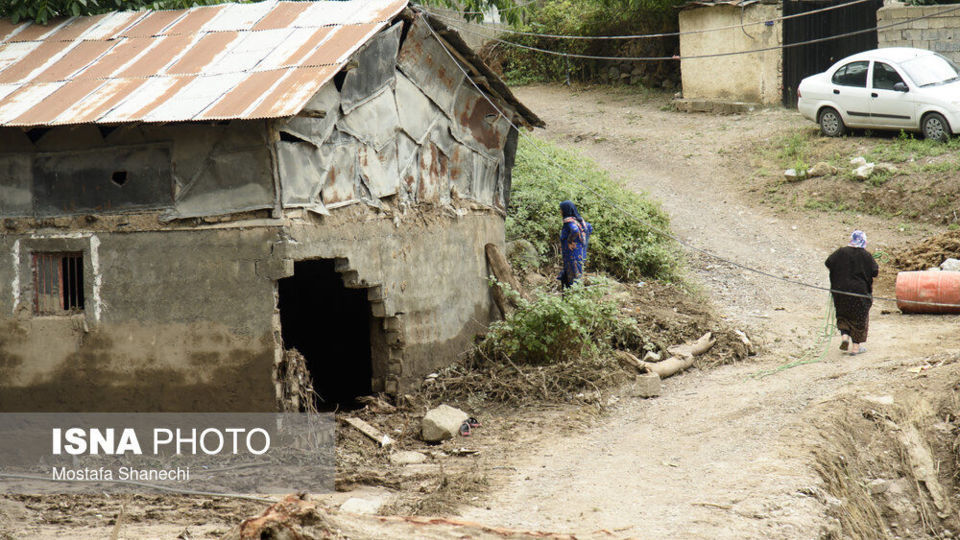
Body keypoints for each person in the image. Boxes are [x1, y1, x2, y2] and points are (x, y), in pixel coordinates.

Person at [825, 230, 879, 355]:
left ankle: (845, 338)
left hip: (840, 291)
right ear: (864, 241)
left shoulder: (840, 252)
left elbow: (828, 263)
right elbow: (875, 272)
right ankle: (855, 348)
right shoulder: (866, 255)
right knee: (860, 318)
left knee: (843, 315)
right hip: (859, 292)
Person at [558, 200, 593, 288]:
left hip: (572, 255)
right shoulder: (581, 222)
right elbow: (590, 228)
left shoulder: (569, 222)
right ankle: (572, 296)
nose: (560, 211)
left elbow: (574, 230)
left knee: (573, 279)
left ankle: (572, 296)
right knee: (577, 275)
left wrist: (570, 241)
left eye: (561, 209)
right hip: (581, 254)